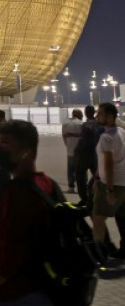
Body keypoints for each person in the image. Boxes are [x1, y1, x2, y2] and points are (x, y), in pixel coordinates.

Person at [0, 120, 59, 305]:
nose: (0, 149)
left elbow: (15, 250)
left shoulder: (16, 192)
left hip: (20, 292)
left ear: (27, 152)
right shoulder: (46, 183)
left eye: (6, 143)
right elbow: (31, 230)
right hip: (47, 286)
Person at [91, 102, 125, 255]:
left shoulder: (106, 137)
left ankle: (98, 252)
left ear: (110, 117)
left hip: (112, 184)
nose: (98, 116)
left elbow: (109, 164)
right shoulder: (122, 132)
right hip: (123, 182)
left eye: (101, 114)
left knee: (97, 218)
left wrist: (109, 190)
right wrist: (97, 176)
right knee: (122, 218)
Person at [74, 105, 100, 206]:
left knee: (80, 177)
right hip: (96, 154)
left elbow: (84, 140)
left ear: (86, 112)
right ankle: (95, 197)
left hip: (85, 154)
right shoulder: (99, 124)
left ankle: (85, 199)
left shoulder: (86, 125)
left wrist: (77, 152)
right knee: (97, 176)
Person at [61, 109, 84, 194]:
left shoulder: (66, 123)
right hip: (80, 151)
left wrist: (67, 145)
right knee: (80, 170)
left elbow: (63, 136)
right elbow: (84, 135)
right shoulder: (81, 124)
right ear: (79, 115)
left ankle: (71, 187)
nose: (82, 116)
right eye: (81, 115)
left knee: (70, 170)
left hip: (70, 150)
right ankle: (82, 186)